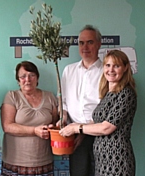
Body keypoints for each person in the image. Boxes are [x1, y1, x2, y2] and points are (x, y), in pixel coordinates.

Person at [59, 50, 137, 176]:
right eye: (108, 65)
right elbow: (95, 121)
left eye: (116, 66)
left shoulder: (126, 93)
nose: (111, 70)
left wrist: (76, 128)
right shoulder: (107, 94)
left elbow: (106, 127)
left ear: (125, 68)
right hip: (102, 161)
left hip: (117, 160)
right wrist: (73, 126)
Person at [57, 24, 103, 176]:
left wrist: (83, 129)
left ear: (98, 44)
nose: (85, 47)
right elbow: (63, 103)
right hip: (74, 137)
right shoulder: (68, 70)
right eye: (81, 43)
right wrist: (63, 118)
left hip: (100, 135)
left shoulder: (107, 72)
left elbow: (107, 109)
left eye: (90, 42)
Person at [0, 61, 58, 176]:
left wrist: (52, 128)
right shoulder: (12, 96)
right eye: (23, 76)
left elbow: (55, 124)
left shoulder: (50, 96)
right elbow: (7, 126)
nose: (28, 79)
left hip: (44, 161)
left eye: (32, 75)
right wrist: (34, 131)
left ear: (37, 78)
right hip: (16, 162)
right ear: (18, 80)